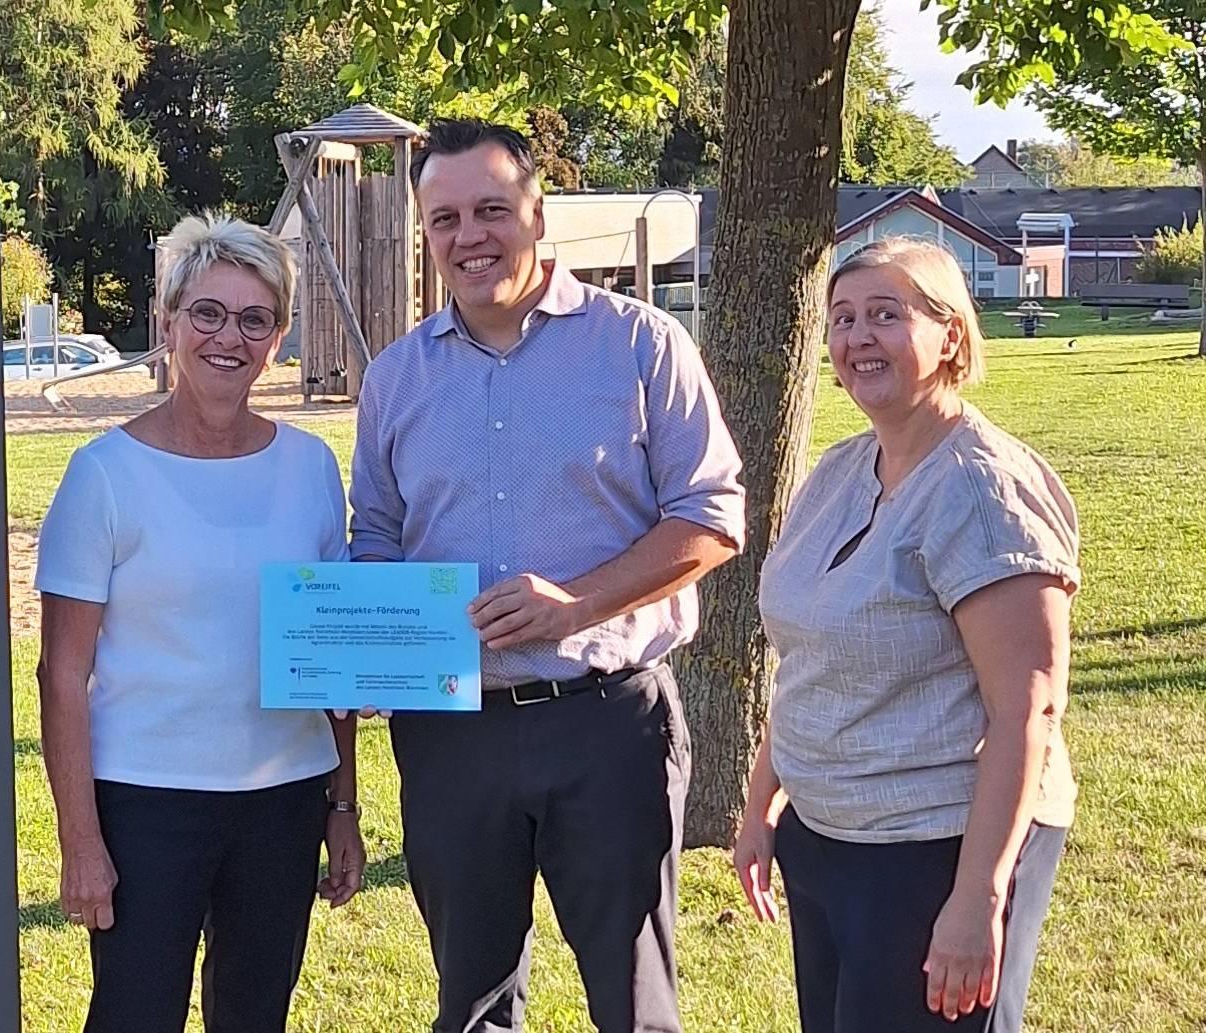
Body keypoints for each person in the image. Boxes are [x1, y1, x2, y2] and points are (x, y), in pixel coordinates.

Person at [349, 118, 747, 1033]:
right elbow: (375, 533)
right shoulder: (396, 378)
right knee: (474, 1001)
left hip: (607, 722)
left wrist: (578, 603)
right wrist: (378, 643)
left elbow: (714, 515)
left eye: (491, 209)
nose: (468, 235)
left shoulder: (641, 346)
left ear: (538, 211)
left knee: (635, 996)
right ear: (423, 230)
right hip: (451, 737)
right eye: (444, 218)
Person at [734, 237, 1079, 1033]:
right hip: (827, 838)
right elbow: (809, 658)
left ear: (950, 334)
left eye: (886, 316)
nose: (858, 338)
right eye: (843, 318)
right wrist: (762, 803)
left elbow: (1026, 711)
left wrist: (975, 898)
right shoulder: (843, 469)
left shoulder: (983, 492)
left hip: (935, 849)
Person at [35, 211, 365, 1033]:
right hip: (147, 803)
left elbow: (333, 658)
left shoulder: (312, 467)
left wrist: (343, 806)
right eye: (208, 313)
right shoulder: (103, 475)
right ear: (171, 322)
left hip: (282, 801)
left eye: (255, 318)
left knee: (255, 1016)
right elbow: (61, 672)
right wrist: (81, 843)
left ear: (279, 335)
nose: (229, 337)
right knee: (134, 1015)